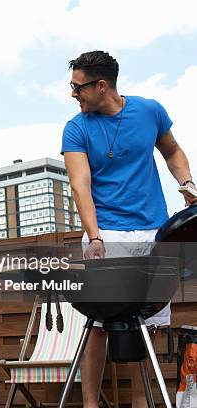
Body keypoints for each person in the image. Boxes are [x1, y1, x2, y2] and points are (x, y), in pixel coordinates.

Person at [61, 50, 197, 407]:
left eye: (78, 88)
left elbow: (172, 150)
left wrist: (186, 183)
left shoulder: (149, 111)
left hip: (153, 232)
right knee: (96, 325)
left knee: (147, 325)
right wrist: (94, 236)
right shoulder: (76, 128)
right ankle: (91, 404)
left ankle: (141, 402)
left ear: (101, 85)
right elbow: (80, 186)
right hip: (106, 233)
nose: (73, 95)